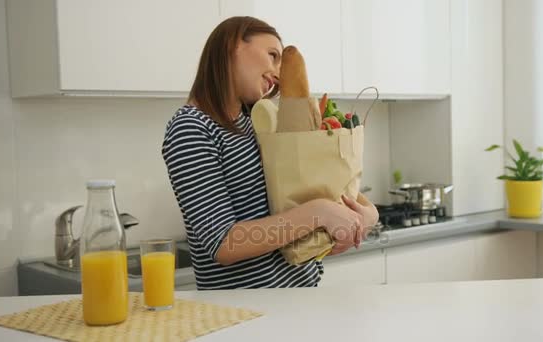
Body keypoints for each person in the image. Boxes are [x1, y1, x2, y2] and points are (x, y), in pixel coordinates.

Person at [161, 16, 379, 290]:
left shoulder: (257, 120)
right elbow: (223, 243)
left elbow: (320, 184)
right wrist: (319, 213)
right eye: (272, 55)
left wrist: (368, 215)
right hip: (242, 312)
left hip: (299, 296)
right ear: (232, 45)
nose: (278, 73)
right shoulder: (191, 127)